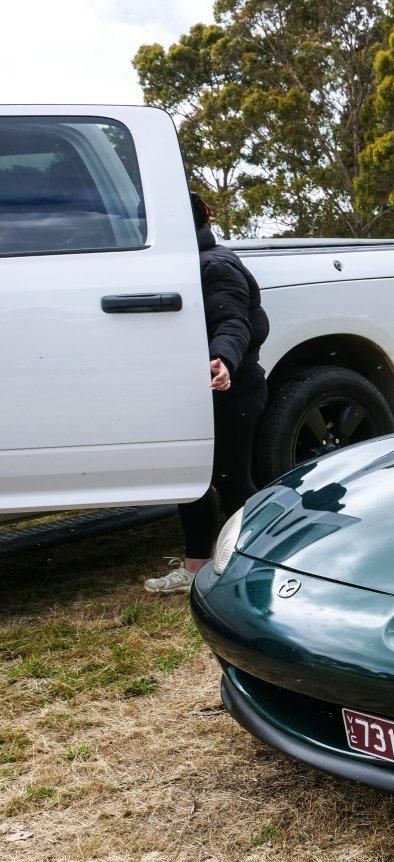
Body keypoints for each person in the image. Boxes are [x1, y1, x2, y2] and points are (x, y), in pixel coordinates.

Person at [144, 193, 270, 594]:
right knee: (193, 478)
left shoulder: (214, 264)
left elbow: (232, 320)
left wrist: (223, 360)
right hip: (200, 390)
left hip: (233, 389)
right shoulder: (182, 263)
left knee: (232, 483)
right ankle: (196, 567)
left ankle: (269, 559)